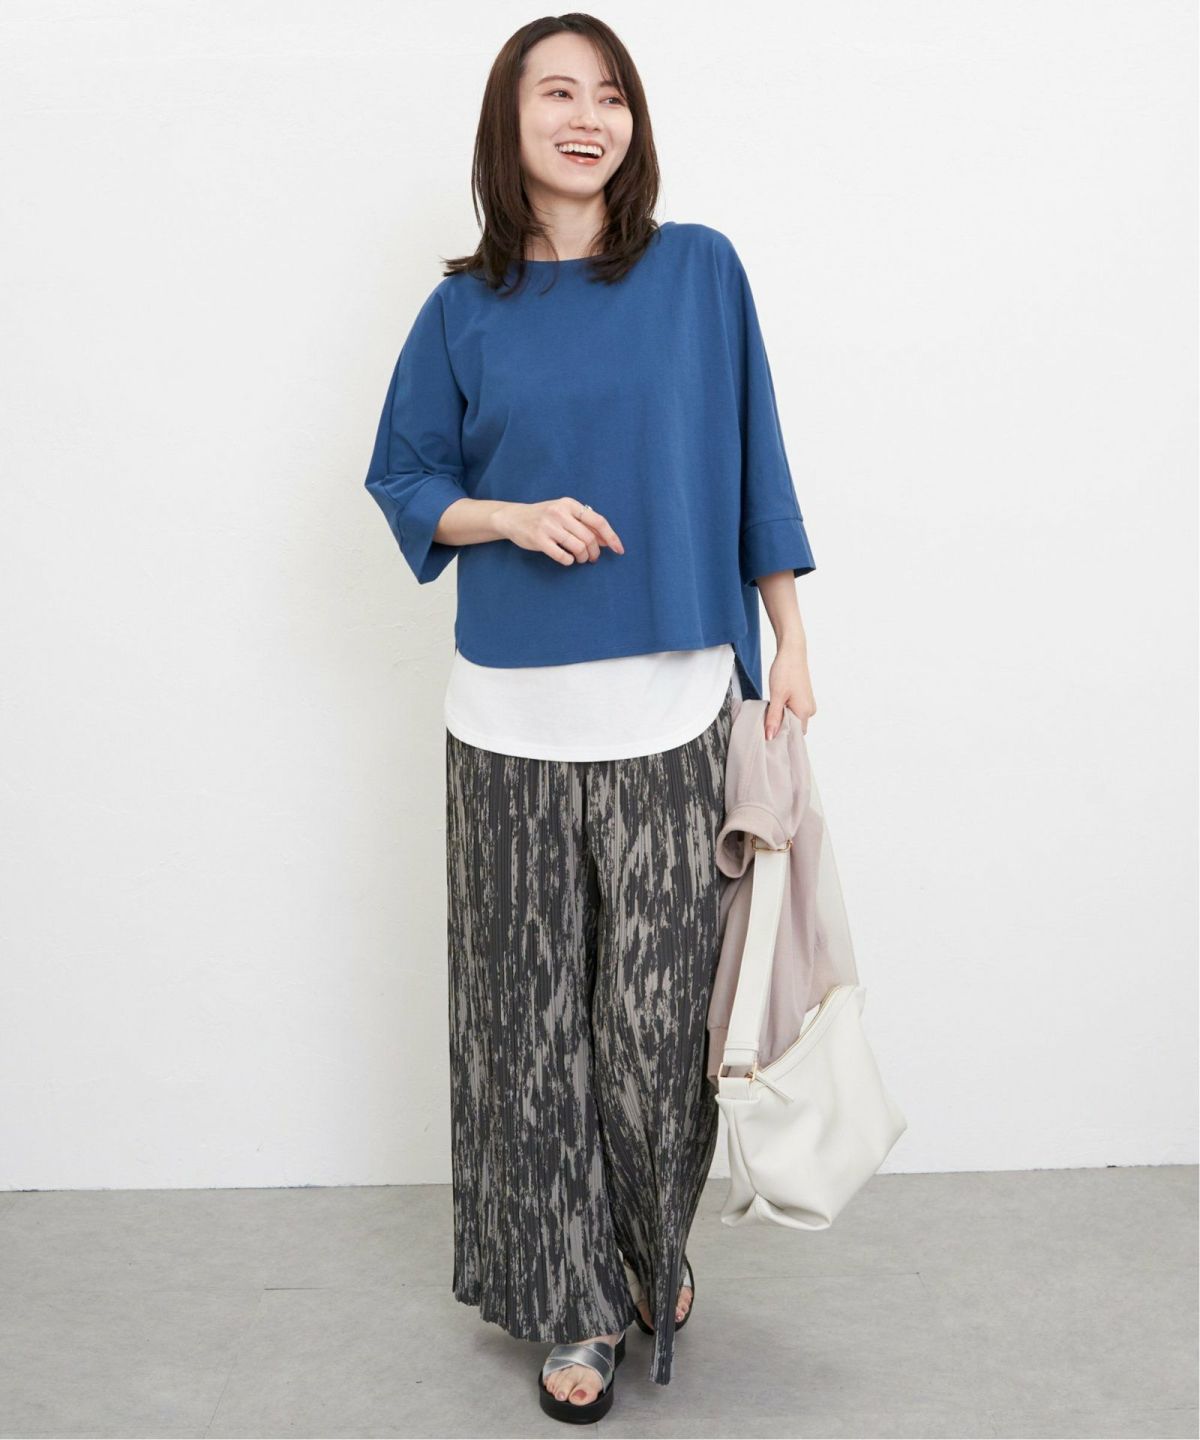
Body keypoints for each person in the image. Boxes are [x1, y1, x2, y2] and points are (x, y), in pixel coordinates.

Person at [364, 13, 818, 1424]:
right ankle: (572, 1302)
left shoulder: (701, 272)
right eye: (557, 92)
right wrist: (507, 516)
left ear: (634, 124)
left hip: (674, 708)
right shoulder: (460, 312)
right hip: (504, 722)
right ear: (509, 125)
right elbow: (405, 479)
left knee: (654, 1026)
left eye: (610, 94)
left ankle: (644, 1250)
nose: (587, 116)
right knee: (527, 1029)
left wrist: (791, 641)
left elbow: (756, 460)